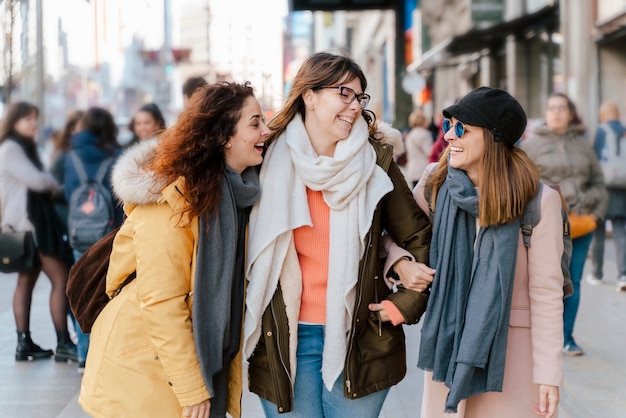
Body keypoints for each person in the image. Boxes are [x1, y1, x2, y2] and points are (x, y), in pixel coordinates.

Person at [242, 51, 433, 418]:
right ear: (309, 97)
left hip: (359, 338)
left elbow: (419, 237)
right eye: (343, 94)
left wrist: (403, 305)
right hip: (284, 339)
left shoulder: (375, 162)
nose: (354, 107)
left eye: (359, 97)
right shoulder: (264, 162)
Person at [78, 81, 270, 418]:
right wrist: (192, 388)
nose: (265, 131)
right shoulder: (173, 198)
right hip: (143, 370)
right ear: (223, 136)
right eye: (255, 123)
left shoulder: (238, 193)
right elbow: (162, 302)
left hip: (184, 364)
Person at [390, 87, 564, 417]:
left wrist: (548, 376)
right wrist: (401, 262)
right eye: (448, 126)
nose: (450, 137)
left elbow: (546, 293)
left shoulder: (537, 200)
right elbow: (397, 234)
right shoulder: (435, 182)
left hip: (510, 356)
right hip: (449, 343)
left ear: (495, 137)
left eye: (462, 129)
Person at [522, 92, 608, 356]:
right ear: (545, 114)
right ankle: (538, 336)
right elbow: (523, 184)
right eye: (552, 108)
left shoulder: (583, 145)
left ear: (570, 113)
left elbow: (598, 183)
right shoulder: (532, 146)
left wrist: (596, 214)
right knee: (544, 280)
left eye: (562, 108)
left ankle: (566, 337)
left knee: (575, 280)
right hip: (546, 225)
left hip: (582, 223)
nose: (557, 112)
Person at [0, 102, 77, 363]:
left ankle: (25, 343)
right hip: (31, 226)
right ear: (14, 122)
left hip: (27, 224)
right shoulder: (11, 148)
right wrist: (56, 187)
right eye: (27, 119)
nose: (33, 123)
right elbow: (38, 180)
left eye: (35, 118)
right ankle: (64, 342)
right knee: (61, 279)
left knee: (27, 281)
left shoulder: (25, 148)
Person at [64, 106, 123, 373]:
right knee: (108, 294)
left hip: (79, 234)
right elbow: (121, 198)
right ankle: (104, 355)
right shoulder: (115, 155)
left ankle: (83, 356)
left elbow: (67, 193)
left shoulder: (71, 156)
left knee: (81, 292)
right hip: (108, 236)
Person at [588, 101, 626, 291]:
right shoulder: (625, 130)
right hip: (622, 188)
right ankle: (623, 275)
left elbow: (592, 160)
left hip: (602, 187)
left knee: (598, 231)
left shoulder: (601, 131)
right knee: (620, 231)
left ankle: (597, 274)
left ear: (603, 114)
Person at [405, 110, 434, 187]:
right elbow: (430, 152)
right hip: (423, 169)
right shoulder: (425, 134)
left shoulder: (410, 135)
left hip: (412, 170)